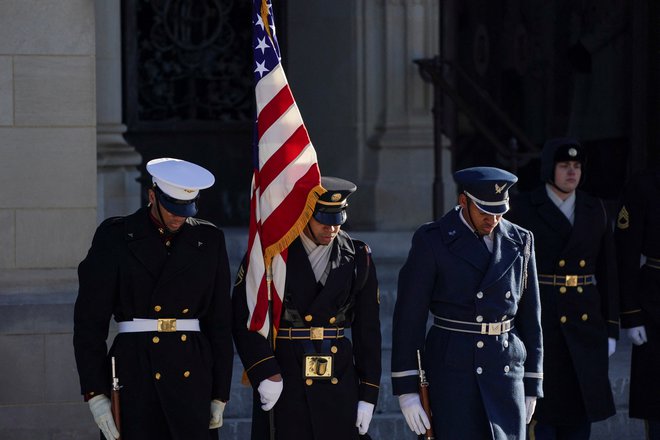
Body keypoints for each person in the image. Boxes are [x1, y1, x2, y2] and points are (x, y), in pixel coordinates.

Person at [73, 158, 234, 439]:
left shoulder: (209, 240)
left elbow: (219, 322)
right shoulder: (115, 237)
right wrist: (96, 392)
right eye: (172, 208)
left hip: (192, 372)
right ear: (152, 196)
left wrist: (220, 392)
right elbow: (89, 322)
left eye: (186, 209)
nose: (178, 217)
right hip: (135, 371)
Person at [392, 166, 543, 440]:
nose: (493, 220)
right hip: (454, 371)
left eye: (500, 211)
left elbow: (530, 318)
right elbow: (409, 318)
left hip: (505, 368)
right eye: (485, 211)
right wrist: (407, 387)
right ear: (464, 201)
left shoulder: (521, 240)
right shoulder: (433, 240)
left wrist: (533, 381)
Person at [232, 176, 381, 440]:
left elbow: (367, 330)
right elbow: (245, 314)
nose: (331, 229)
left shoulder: (358, 255)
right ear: (304, 214)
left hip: (338, 376)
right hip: (286, 374)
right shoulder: (273, 253)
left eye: (338, 220)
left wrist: (368, 393)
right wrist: (264, 370)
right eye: (323, 219)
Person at [507, 138, 619, 439]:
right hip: (542, 319)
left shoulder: (594, 208)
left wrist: (611, 328)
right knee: (543, 414)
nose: (572, 172)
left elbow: (608, 272)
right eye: (564, 166)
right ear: (549, 169)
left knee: (580, 412)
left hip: (586, 323)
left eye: (577, 166)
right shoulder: (524, 208)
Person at [615, 169, 660, 440]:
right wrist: (631, 315)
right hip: (655, 299)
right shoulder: (645, 186)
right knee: (655, 393)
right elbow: (626, 252)